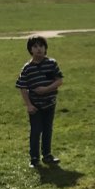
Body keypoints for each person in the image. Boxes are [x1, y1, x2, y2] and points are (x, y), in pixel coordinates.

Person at [15, 35, 64, 168]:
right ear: (30, 50)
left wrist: (46, 89)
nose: (39, 49)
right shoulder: (27, 68)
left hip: (50, 103)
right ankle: (34, 158)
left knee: (48, 129)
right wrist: (28, 105)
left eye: (41, 46)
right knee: (36, 130)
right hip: (35, 106)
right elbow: (23, 87)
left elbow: (59, 80)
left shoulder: (51, 63)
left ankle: (47, 155)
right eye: (35, 46)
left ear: (45, 48)